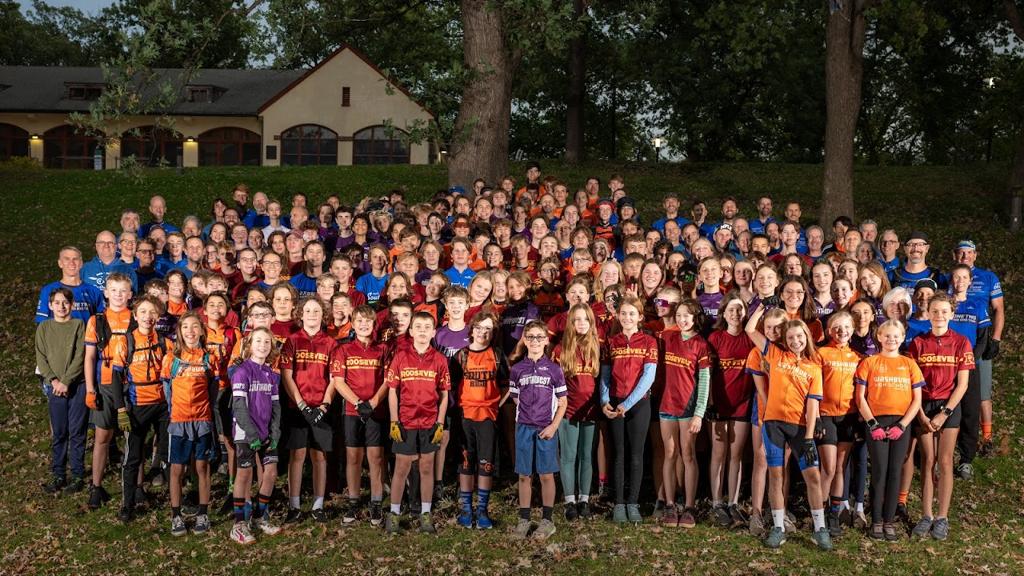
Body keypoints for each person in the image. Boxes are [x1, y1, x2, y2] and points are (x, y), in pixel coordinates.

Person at [745, 303, 832, 551]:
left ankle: (820, 528)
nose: (795, 341)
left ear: (807, 337)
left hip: (799, 428)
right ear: (785, 338)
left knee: (812, 477)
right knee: (776, 475)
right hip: (773, 425)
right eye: (791, 337)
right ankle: (778, 527)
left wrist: (808, 437)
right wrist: (762, 306)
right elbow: (751, 329)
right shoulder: (774, 353)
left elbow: (813, 406)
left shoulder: (814, 367)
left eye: (799, 336)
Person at [905, 292, 972, 541]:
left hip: (949, 406)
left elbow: (962, 385)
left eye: (944, 311)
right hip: (923, 404)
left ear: (952, 314)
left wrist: (944, 414)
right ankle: (926, 515)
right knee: (928, 461)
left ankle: (942, 517)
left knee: (944, 461)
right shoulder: (918, 342)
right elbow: (912, 383)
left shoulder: (962, 342)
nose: (940, 315)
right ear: (928, 313)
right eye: (935, 311)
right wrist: (921, 414)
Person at [855, 320, 924, 541]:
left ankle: (889, 521)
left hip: (901, 424)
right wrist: (872, 424)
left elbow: (917, 400)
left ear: (903, 337)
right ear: (879, 337)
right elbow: (860, 398)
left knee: (895, 472)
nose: (891, 339)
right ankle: (876, 520)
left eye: (896, 336)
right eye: (887, 336)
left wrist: (903, 425)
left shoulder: (909, 364)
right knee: (879, 472)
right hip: (876, 421)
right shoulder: (870, 362)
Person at [385, 312, 451, 534]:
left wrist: (440, 423)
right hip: (406, 421)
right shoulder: (401, 357)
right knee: (402, 468)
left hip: (430, 422)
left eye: (427, 327)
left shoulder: (440, 359)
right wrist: (394, 420)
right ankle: (393, 514)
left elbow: (443, 395)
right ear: (411, 331)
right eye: (418, 327)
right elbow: (392, 391)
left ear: (434, 332)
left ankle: (425, 513)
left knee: (426, 467)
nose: (422, 331)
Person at [110, 296, 171, 522]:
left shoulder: (165, 342)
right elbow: (116, 376)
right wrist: (120, 409)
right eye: (143, 312)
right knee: (132, 456)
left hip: (163, 404)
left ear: (158, 316)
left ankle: (176, 499)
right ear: (135, 316)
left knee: (168, 452)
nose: (148, 316)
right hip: (137, 404)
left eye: (152, 312)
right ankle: (127, 504)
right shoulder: (126, 341)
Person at [163, 312, 221, 536]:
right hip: (179, 421)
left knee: (202, 467)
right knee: (177, 468)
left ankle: (202, 513)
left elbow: (213, 388)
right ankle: (176, 515)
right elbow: (167, 390)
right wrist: (175, 412)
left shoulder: (209, 358)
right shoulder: (171, 359)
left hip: (202, 420)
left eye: (195, 326)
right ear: (179, 331)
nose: (190, 331)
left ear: (202, 330)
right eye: (185, 327)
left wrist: (205, 411)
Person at [601, 295, 657, 524]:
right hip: (614, 403)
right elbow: (604, 375)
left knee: (636, 455)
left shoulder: (648, 342)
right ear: (617, 316)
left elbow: (648, 377)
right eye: (623, 313)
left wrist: (628, 404)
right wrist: (604, 400)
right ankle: (619, 504)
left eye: (632, 313)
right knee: (618, 455)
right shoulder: (611, 342)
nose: (627, 317)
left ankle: (633, 503)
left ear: (640, 317)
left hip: (638, 404)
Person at [330, 305, 388, 526]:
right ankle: (353, 502)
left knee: (375, 458)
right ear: (353, 324)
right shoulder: (342, 350)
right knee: (353, 457)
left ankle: (375, 503)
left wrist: (372, 403)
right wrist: (357, 402)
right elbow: (338, 381)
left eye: (368, 321)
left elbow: (387, 380)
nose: (364, 325)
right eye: (360, 321)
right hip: (352, 411)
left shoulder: (382, 349)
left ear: (374, 325)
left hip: (376, 410)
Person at [509, 321, 567, 540]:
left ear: (546, 340)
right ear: (524, 339)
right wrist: (527, 413)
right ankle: (524, 519)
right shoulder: (517, 369)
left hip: (546, 428)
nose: (534, 341)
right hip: (523, 426)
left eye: (538, 337)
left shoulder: (554, 369)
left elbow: (562, 402)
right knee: (524, 475)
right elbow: (516, 397)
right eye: (530, 337)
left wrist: (553, 426)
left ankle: (547, 520)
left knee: (546, 474)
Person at [280, 297, 335, 524]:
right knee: (297, 455)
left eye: (317, 310)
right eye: (308, 310)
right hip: (297, 406)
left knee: (319, 456)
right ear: (300, 314)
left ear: (323, 315)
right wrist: (301, 403)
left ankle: (318, 504)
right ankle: (294, 506)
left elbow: (334, 378)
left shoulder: (331, 343)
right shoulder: (292, 341)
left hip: (321, 406)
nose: (312, 314)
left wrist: (325, 404)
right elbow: (286, 376)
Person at [451, 312, 509, 529]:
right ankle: (466, 509)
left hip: (488, 418)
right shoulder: (460, 356)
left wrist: (496, 406)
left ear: (493, 332)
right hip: (465, 416)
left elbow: (506, 387)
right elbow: (451, 388)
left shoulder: (496, 355)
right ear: (471, 329)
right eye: (479, 327)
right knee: (466, 463)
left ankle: (482, 510)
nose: (483, 332)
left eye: (488, 328)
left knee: (486, 465)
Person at [83, 272, 133, 510]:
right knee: (103, 436)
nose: (119, 295)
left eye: (123, 291)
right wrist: (91, 389)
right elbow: (89, 356)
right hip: (104, 385)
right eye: (114, 290)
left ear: (130, 294)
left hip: (130, 384)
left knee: (133, 436)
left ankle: (136, 487)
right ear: (106, 292)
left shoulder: (136, 317)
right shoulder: (97, 320)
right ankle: (96, 485)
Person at [659, 299, 710, 529]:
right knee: (669, 453)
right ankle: (669, 505)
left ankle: (689, 506)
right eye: (679, 315)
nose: (682, 320)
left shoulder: (701, 344)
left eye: (687, 315)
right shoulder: (667, 337)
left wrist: (699, 413)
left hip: (688, 410)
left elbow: (705, 382)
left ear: (695, 317)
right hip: (666, 407)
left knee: (688, 454)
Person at [228, 327, 283, 544]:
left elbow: (276, 407)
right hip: (246, 433)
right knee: (244, 475)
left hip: (267, 431)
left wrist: (275, 431)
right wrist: (251, 435)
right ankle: (239, 524)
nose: (262, 345)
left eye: (267, 342)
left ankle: (260, 517)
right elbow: (239, 407)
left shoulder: (271, 374)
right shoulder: (242, 371)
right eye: (258, 341)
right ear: (249, 345)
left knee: (270, 473)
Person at [952, 240, 1003, 455]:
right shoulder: (950, 277)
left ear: (976, 255)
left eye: (969, 253)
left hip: (979, 341)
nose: (965, 256)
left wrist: (996, 339)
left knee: (982, 393)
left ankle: (987, 437)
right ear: (955, 256)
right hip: (954, 346)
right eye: (961, 253)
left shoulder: (988, 277)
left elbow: (999, 309)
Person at [707, 293, 754, 528]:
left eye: (740, 310)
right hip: (719, 404)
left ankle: (733, 501)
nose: (736, 314)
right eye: (731, 310)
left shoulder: (749, 338)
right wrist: (711, 402)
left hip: (743, 404)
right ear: (723, 313)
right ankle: (716, 502)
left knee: (736, 455)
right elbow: (707, 374)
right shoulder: (715, 338)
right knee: (719, 453)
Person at [552, 303, 602, 521]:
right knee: (568, 456)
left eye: (586, 320)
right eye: (577, 320)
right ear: (571, 323)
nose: (582, 323)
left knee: (586, 456)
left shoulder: (598, 346)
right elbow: (555, 384)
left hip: (590, 409)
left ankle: (584, 499)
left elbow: (602, 380)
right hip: (568, 410)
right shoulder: (560, 349)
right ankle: (569, 500)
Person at [36, 287, 87, 494]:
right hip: (55, 388)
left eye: (65, 302)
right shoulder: (44, 328)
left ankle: (77, 474)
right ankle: (58, 473)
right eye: (57, 303)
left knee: (77, 432)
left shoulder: (78, 325)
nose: (61, 306)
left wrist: (66, 381)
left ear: (72, 305)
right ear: (50, 306)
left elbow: (80, 354)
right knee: (59, 432)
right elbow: (41, 357)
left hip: (77, 386)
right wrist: (55, 381)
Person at [815, 311, 862, 537]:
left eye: (846, 327)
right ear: (829, 331)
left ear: (852, 331)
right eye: (836, 327)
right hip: (825, 414)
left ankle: (834, 513)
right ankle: (820, 514)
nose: (841, 331)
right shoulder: (821, 353)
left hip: (848, 416)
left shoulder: (858, 358)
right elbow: (812, 387)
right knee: (829, 468)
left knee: (841, 468)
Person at [36, 246, 105, 324]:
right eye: (67, 259)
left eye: (75, 259)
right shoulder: (48, 290)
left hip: (86, 335)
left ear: (81, 263)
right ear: (60, 263)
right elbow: (42, 325)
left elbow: (101, 323)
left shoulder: (94, 291)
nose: (71, 263)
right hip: (59, 335)